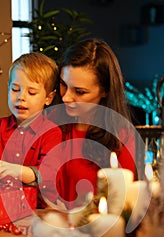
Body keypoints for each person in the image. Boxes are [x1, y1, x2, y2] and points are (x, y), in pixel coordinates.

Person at [0, 52, 62, 206]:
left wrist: (19, 171)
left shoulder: (51, 133)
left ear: (48, 98)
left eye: (32, 92)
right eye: (15, 89)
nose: (21, 97)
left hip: (39, 210)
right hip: (2, 206)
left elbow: (49, 173)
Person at [52, 38, 136, 209]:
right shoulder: (51, 122)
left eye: (80, 92)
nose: (66, 97)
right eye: (63, 84)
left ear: (105, 91)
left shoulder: (120, 138)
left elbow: (123, 206)